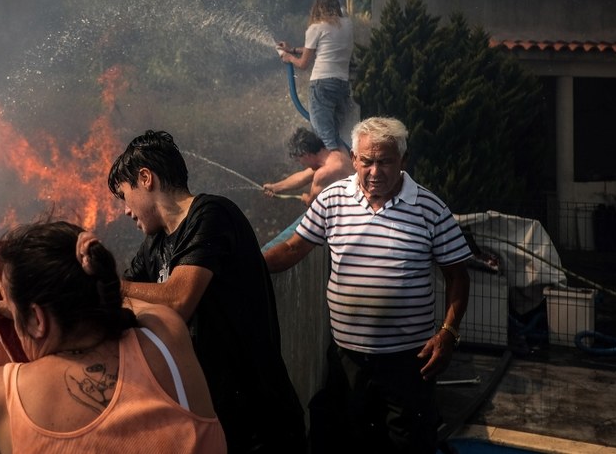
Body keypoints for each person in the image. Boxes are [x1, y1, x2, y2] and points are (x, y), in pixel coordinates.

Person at [0, 220, 227, 454]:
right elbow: (115, 295)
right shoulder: (165, 332)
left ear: (37, 319)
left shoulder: (6, 396)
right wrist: (29, 307)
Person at [262, 116, 472, 454]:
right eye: (367, 161)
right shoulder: (332, 200)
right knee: (348, 438)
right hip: (348, 359)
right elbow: (291, 249)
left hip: (410, 360)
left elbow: (457, 275)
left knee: (407, 442)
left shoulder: (431, 209)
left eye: (385, 161)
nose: (375, 171)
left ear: (403, 161)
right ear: (355, 160)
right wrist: (243, 266)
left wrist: (448, 332)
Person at [108, 130, 307, 453]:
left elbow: (177, 300)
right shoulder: (154, 245)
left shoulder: (212, 214)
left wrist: (109, 286)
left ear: (145, 178)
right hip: (211, 420)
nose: (126, 210)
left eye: (124, 195)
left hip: (260, 420)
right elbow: (118, 298)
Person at [276, 0, 354, 157]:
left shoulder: (316, 28)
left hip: (322, 85)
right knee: (334, 134)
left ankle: (336, 169)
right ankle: (343, 165)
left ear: (317, 10)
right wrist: (293, 50)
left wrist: (288, 58)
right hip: (342, 85)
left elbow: (303, 64)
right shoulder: (347, 25)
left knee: (324, 136)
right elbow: (323, 47)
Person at [263, 127, 355, 206]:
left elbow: (311, 203)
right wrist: (275, 187)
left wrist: (305, 198)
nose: (301, 164)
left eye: (299, 159)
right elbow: (302, 177)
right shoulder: (334, 155)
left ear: (306, 154)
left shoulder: (324, 173)